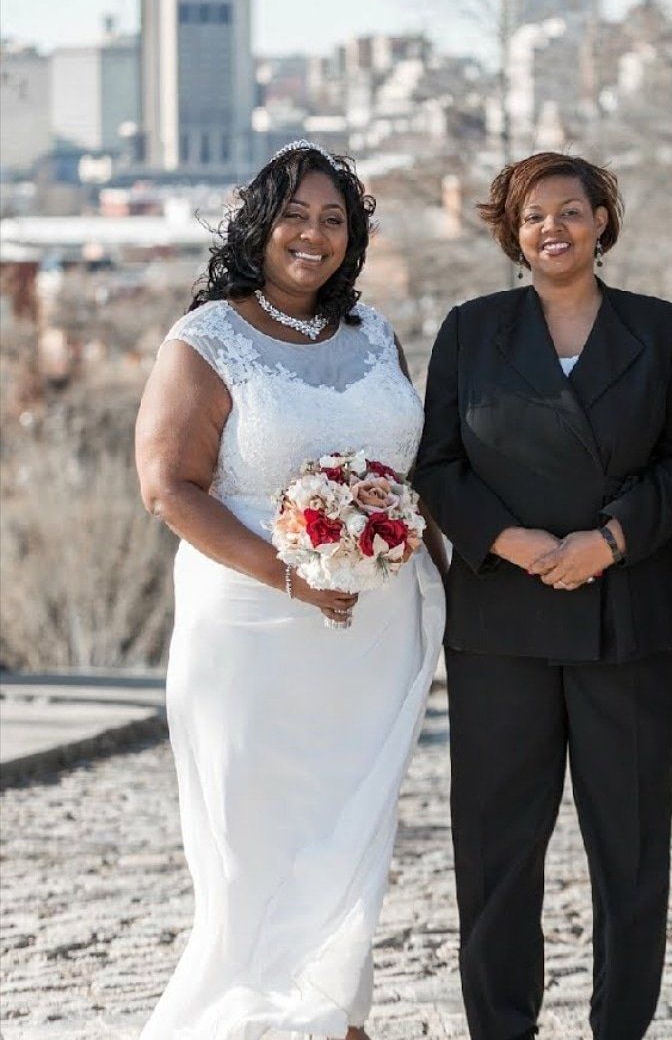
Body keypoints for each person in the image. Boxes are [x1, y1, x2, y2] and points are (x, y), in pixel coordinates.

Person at [135, 141, 446, 1040]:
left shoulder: (374, 334)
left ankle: (338, 1016)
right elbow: (168, 488)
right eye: (295, 216)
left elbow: (412, 475)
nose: (314, 235)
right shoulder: (207, 339)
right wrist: (290, 576)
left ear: (353, 238)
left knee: (352, 834)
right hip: (252, 634)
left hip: (373, 638)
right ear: (258, 226)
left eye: (333, 220)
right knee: (256, 846)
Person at [413, 152, 672, 1040]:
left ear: (601, 222)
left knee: (631, 851)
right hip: (501, 624)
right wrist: (513, 543)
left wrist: (608, 542)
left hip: (631, 621)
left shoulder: (664, 331)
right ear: (513, 233)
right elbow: (438, 465)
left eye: (571, 210)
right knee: (497, 851)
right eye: (534, 215)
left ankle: (621, 1026)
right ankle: (501, 1027)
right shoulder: (470, 331)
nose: (554, 227)